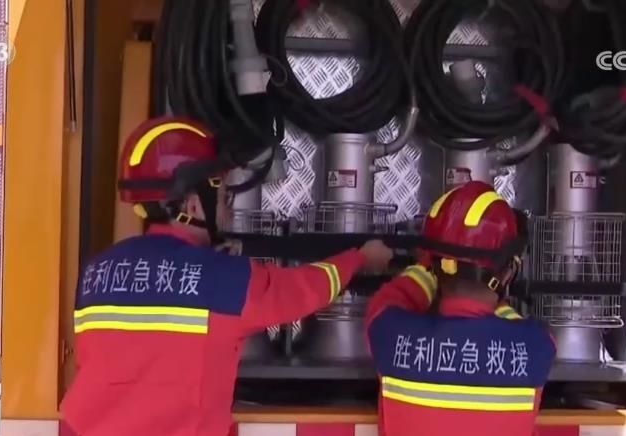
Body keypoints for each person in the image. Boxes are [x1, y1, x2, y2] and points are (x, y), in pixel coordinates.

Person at [59, 116, 394, 436]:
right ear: (193, 207)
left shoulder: (97, 272)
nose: (229, 210)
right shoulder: (222, 279)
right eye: (224, 198)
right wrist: (360, 259)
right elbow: (301, 289)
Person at [365, 181, 556, 436]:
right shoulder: (536, 345)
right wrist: (496, 295)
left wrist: (425, 268)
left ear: (434, 264)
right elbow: (518, 326)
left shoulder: (391, 334)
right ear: (509, 271)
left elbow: (387, 301)